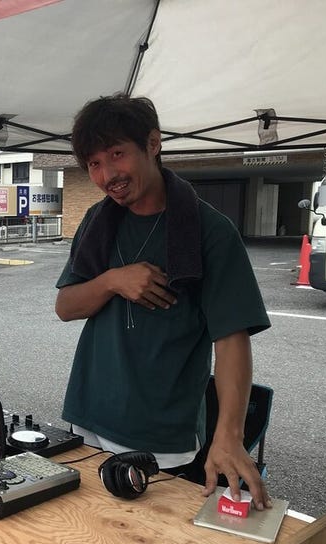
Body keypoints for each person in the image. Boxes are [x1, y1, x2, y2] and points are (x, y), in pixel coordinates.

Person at [55, 93, 272, 510]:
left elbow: (232, 338)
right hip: (89, 416)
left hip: (161, 435)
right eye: (94, 164)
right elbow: (67, 306)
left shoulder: (210, 231)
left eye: (117, 154)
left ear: (153, 143)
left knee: (150, 543)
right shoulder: (97, 221)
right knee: (91, 532)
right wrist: (114, 281)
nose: (107, 175)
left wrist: (229, 435)